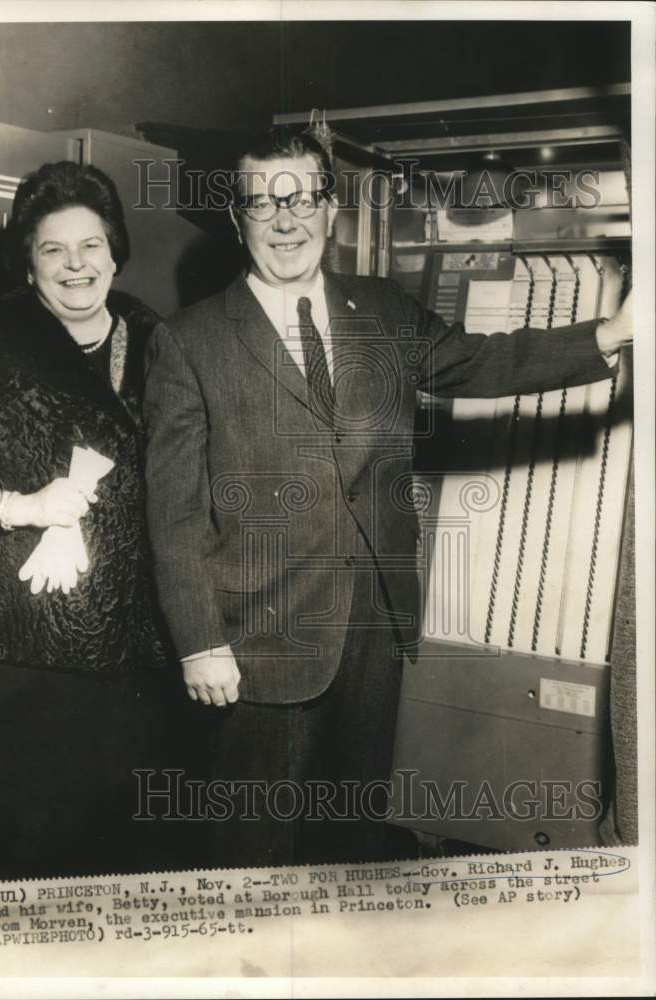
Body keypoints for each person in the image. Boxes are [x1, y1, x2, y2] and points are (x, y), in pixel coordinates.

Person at [142, 127, 633, 869]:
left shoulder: (383, 309)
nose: (285, 220)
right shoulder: (187, 341)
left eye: (301, 197)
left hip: (371, 631)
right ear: (236, 218)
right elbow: (173, 513)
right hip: (254, 642)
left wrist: (614, 331)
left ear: (330, 207)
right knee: (252, 848)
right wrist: (199, 643)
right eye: (261, 203)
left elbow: (478, 362)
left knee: (347, 842)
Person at [0, 160, 178, 880]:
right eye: (52, 249)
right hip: (29, 642)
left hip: (139, 641)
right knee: (32, 851)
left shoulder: (161, 345)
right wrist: (17, 507)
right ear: (28, 266)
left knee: (123, 851)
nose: (75, 265)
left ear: (115, 251)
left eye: (90, 245)